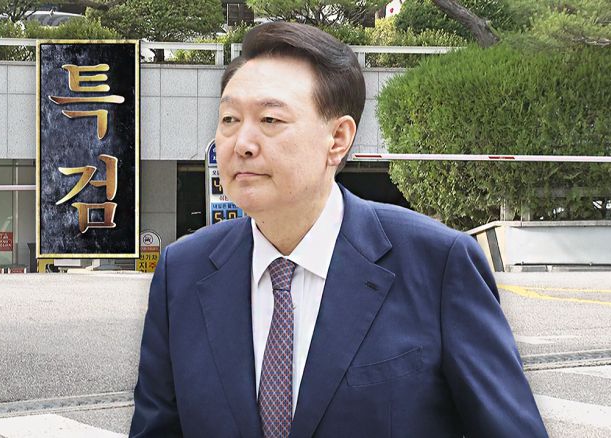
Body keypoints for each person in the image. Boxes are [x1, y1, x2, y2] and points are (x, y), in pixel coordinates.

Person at [130, 21, 548, 438]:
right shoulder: (182, 272)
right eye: (229, 119)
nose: (242, 143)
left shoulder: (437, 264)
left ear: (338, 138)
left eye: (270, 119)